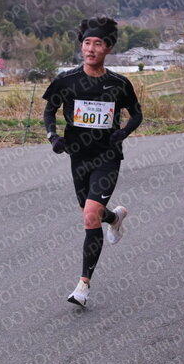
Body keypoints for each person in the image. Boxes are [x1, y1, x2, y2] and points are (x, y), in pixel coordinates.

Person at [42, 17, 143, 307]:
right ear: (81, 46)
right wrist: (53, 137)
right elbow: (49, 111)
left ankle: (83, 285)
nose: (91, 48)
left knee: (89, 216)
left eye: (98, 43)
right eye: (87, 43)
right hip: (78, 156)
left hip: (108, 157)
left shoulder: (119, 83)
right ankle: (115, 218)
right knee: (93, 214)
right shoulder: (66, 80)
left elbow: (136, 114)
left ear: (108, 48)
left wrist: (123, 132)